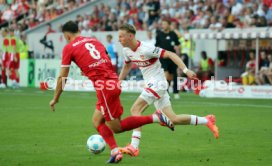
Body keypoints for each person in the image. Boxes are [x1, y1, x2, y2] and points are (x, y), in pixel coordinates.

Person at [49, 21, 173, 164]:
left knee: (117, 127)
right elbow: (106, 60)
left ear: (67, 35)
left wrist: (56, 98)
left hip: (105, 87)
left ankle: (155, 117)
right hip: (111, 81)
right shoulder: (94, 41)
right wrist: (89, 70)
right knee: (97, 121)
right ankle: (114, 151)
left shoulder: (69, 47)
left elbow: (62, 76)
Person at [118, 23, 219, 157]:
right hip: (153, 85)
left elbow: (171, 54)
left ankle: (134, 146)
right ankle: (207, 120)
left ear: (130, 36)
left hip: (158, 83)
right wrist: (118, 82)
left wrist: (185, 70)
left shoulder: (147, 48)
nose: (119, 39)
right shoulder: (127, 51)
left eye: (121, 36)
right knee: (173, 118)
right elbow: (127, 66)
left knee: (135, 109)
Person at [155, 19, 181, 99]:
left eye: (165, 24)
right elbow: (156, 46)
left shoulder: (173, 34)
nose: (163, 25)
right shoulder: (159, 34)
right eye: (162, 24)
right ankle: (165, 92)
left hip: (172, 57)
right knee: (165, 75)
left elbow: (178, 44)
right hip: (163, 58)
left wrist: (178, 52)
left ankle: (176, 92)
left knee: (174, 75)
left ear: (169, 25)